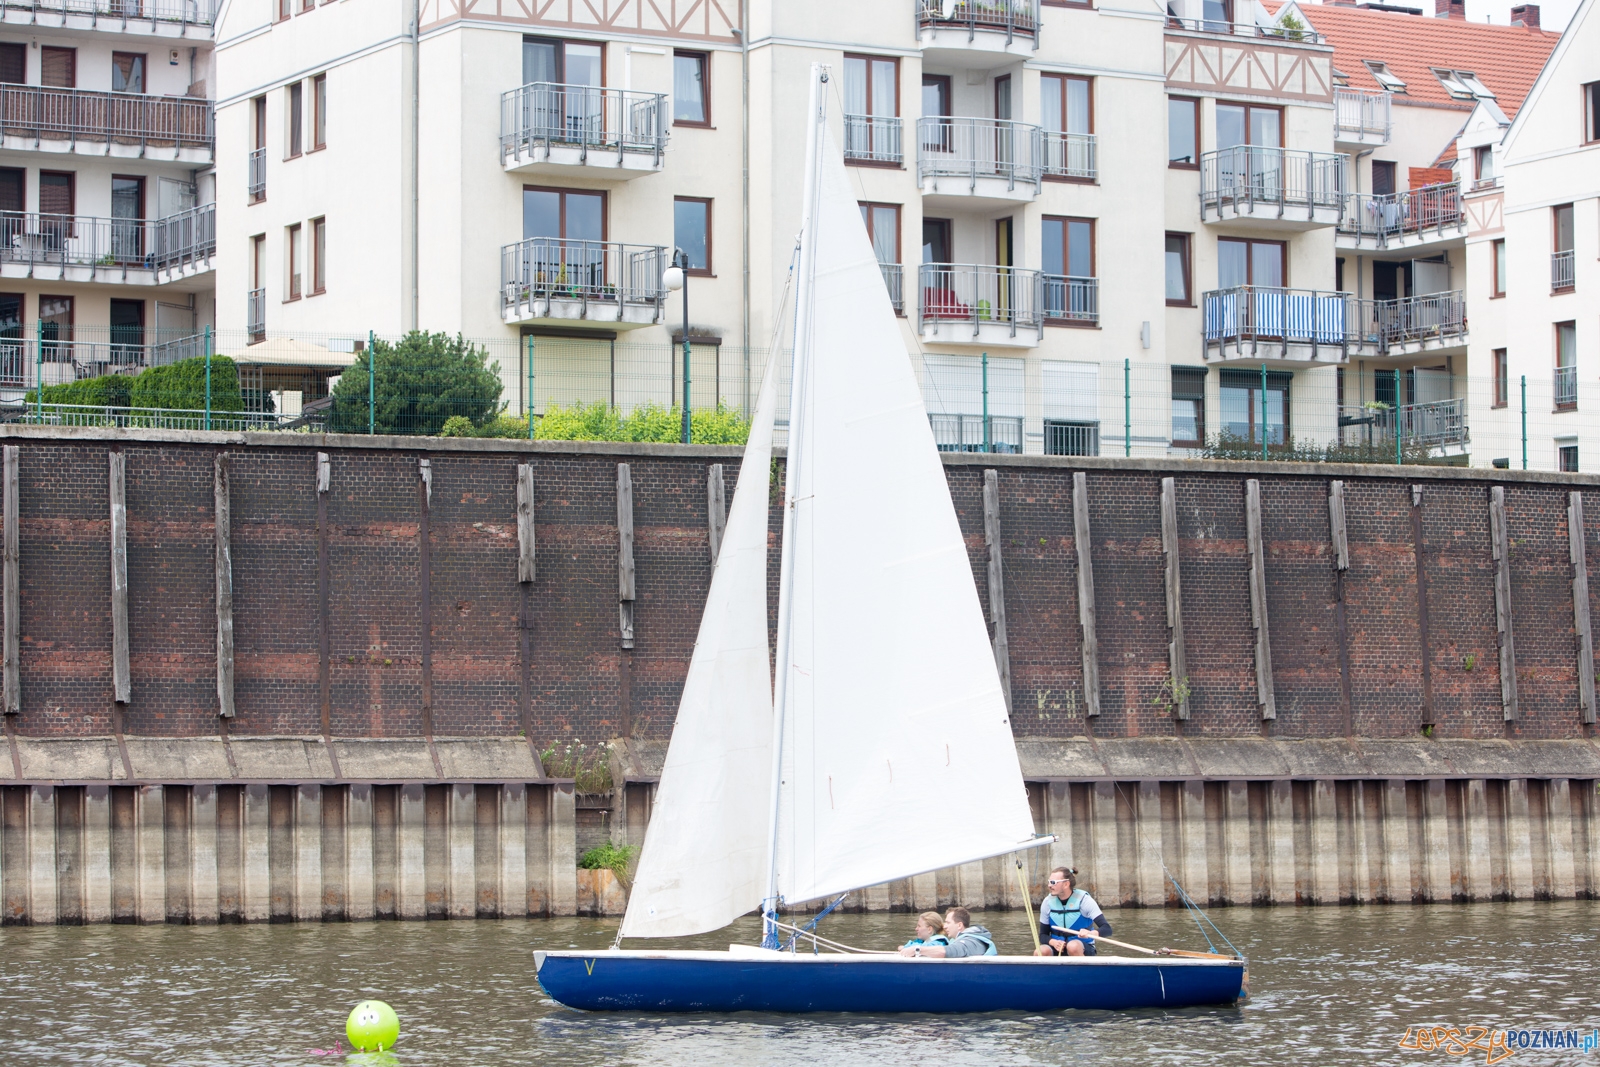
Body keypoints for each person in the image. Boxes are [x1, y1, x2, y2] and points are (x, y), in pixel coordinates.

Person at [1033, 867, 1112, 957]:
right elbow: (1043, 935)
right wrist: (1053, 942)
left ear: (1066, 884)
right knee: (1040, 951)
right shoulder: (1047, 902)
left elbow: (1107, 929)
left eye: (1053, 882)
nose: (1049, 885)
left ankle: (1081, 970)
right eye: (1049, 882)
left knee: (1073, 946)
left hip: (1082, 948)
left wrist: (1091, 933)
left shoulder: (1084, 901)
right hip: (1058, 948)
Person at [898, 908, 997, 958]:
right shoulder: (957, 940)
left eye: (948, 922)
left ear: (959, 925)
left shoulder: (970, 941)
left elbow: (945, 951)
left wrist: (917, 950)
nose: (944, 926)